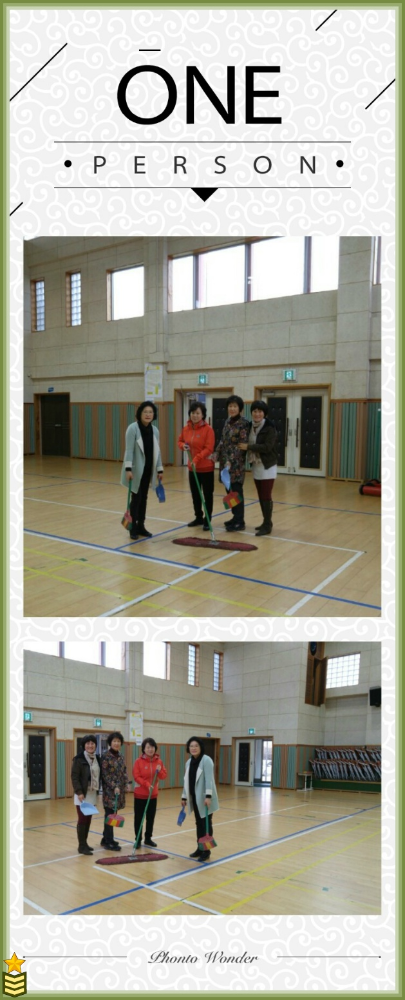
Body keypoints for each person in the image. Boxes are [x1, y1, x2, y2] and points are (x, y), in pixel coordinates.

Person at [121, 400, 164, 540]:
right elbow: (129, 450)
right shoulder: (132, 428)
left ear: (154, 415)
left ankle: (141, 525)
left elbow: (157, 451)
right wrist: (128, 469)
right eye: (145, 412)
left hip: (148, 471)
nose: (148, 414)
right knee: (136, 499)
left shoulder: (155, 431)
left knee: (144, 498)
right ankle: (132, 528)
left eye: (150, 412)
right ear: (140, 413)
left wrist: (160, 469)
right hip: (135, 471)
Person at [240, 400, 278, 536]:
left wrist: (249, 447)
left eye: (260, 411)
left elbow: (267, 447)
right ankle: (266, 522)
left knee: (266, 495)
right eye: (255, 411)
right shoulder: (250, 426)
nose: (257, 414)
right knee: (261, 495)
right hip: (256, 464)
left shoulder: (270, 427)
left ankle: (267, 525)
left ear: (264, 413)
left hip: (267, 465)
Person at [213, 395, 249, 531]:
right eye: (230, 406)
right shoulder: (227, 421)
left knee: (236, 492)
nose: (232, 408)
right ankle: (235, 517)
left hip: (236, 465)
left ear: (240, 408)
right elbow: (223, 441)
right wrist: (216, 454)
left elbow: (242, 445)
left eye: (235, 406)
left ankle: (240, 521)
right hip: (225, 465)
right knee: (230, 492)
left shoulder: (243, 423)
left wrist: (230, 460)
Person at [178, 401, 215, 529]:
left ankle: (207, 519)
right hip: (192, 468)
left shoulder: (208, 430)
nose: (195, 415)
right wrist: (183, 446)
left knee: (207, 494)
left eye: (198, 413)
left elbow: (209, 448)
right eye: (193, 413)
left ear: (203, 415)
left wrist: (197, 459)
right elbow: (180, 441)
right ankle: (198, 517)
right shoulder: (186, 428)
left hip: (206, 468)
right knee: (195, 494)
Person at [181, 737, 219, 863]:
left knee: (206, 824)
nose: (193, 748)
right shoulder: (188, 762)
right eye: (191, 746)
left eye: (196, 746)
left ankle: (206, 851)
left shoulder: (206, 760)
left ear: (201, 747)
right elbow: (187, 781)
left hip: (205, 799)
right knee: (198, 823)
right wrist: (184, 796)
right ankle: (199, 847)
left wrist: (208, 796)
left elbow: (209, 780)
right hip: (195, 799)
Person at [132, 738, 168, 847]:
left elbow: (163, 776)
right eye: (148, 747)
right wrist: (147, 784)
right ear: (144, 749)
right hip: (140, 795)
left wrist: (160, 770)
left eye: (152, 747)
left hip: (153, 795)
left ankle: (148, 838)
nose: (150, 749)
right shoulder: (138, 761)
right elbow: (136, 776)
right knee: (139, 818)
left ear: (155, 748)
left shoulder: (159, 761)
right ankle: (138, 839)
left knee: (150, 818)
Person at [100, 731, 131, 852]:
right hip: (109, 792)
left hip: (119, 791)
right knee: (110, 815)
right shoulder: (105, 756)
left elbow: (124, 771)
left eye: (118, 741)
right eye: (114, 741)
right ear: (110, 742)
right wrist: (114, 786)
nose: (116, 743)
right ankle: (109, 841)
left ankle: (105, 838)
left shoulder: (121, 756)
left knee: (113, 814)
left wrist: (127, 783)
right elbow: (105, 775)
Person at [71, 734, 102, 856]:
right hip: (82, 794)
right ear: (84, 745)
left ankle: (85, 843)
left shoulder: (97, 758)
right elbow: (74, 777)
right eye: (88, 743)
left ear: (95, 745)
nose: (90, 745)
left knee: (88, 819)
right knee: (82, 820)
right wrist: (79, 792)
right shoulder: (78, 759)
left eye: (92, 743)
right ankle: (81, 846)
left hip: (92, 793)